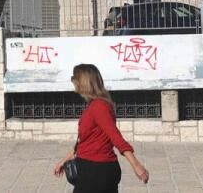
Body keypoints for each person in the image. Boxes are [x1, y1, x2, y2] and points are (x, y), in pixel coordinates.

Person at [53, 64, 149, 192]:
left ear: (83, 82)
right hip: (91, 169)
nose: (73, 80)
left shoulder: (99, 107)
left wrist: (136, 165)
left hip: (97, 171)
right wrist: (64, 161)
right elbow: (82, 141)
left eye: (75, 77)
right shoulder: (94, 105)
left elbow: (116, 137)